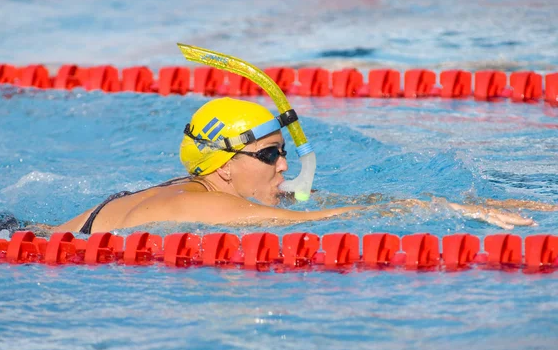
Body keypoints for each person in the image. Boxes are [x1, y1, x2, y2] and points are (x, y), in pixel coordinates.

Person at [53, 97, 539, 235]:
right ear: (222, 167)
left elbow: (345, 204)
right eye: (268, 155)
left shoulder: (205, 190)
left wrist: (471, 205)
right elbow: (312, 221)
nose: (283, 166)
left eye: (282, 151)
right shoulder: (211, 210)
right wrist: (430, 207)